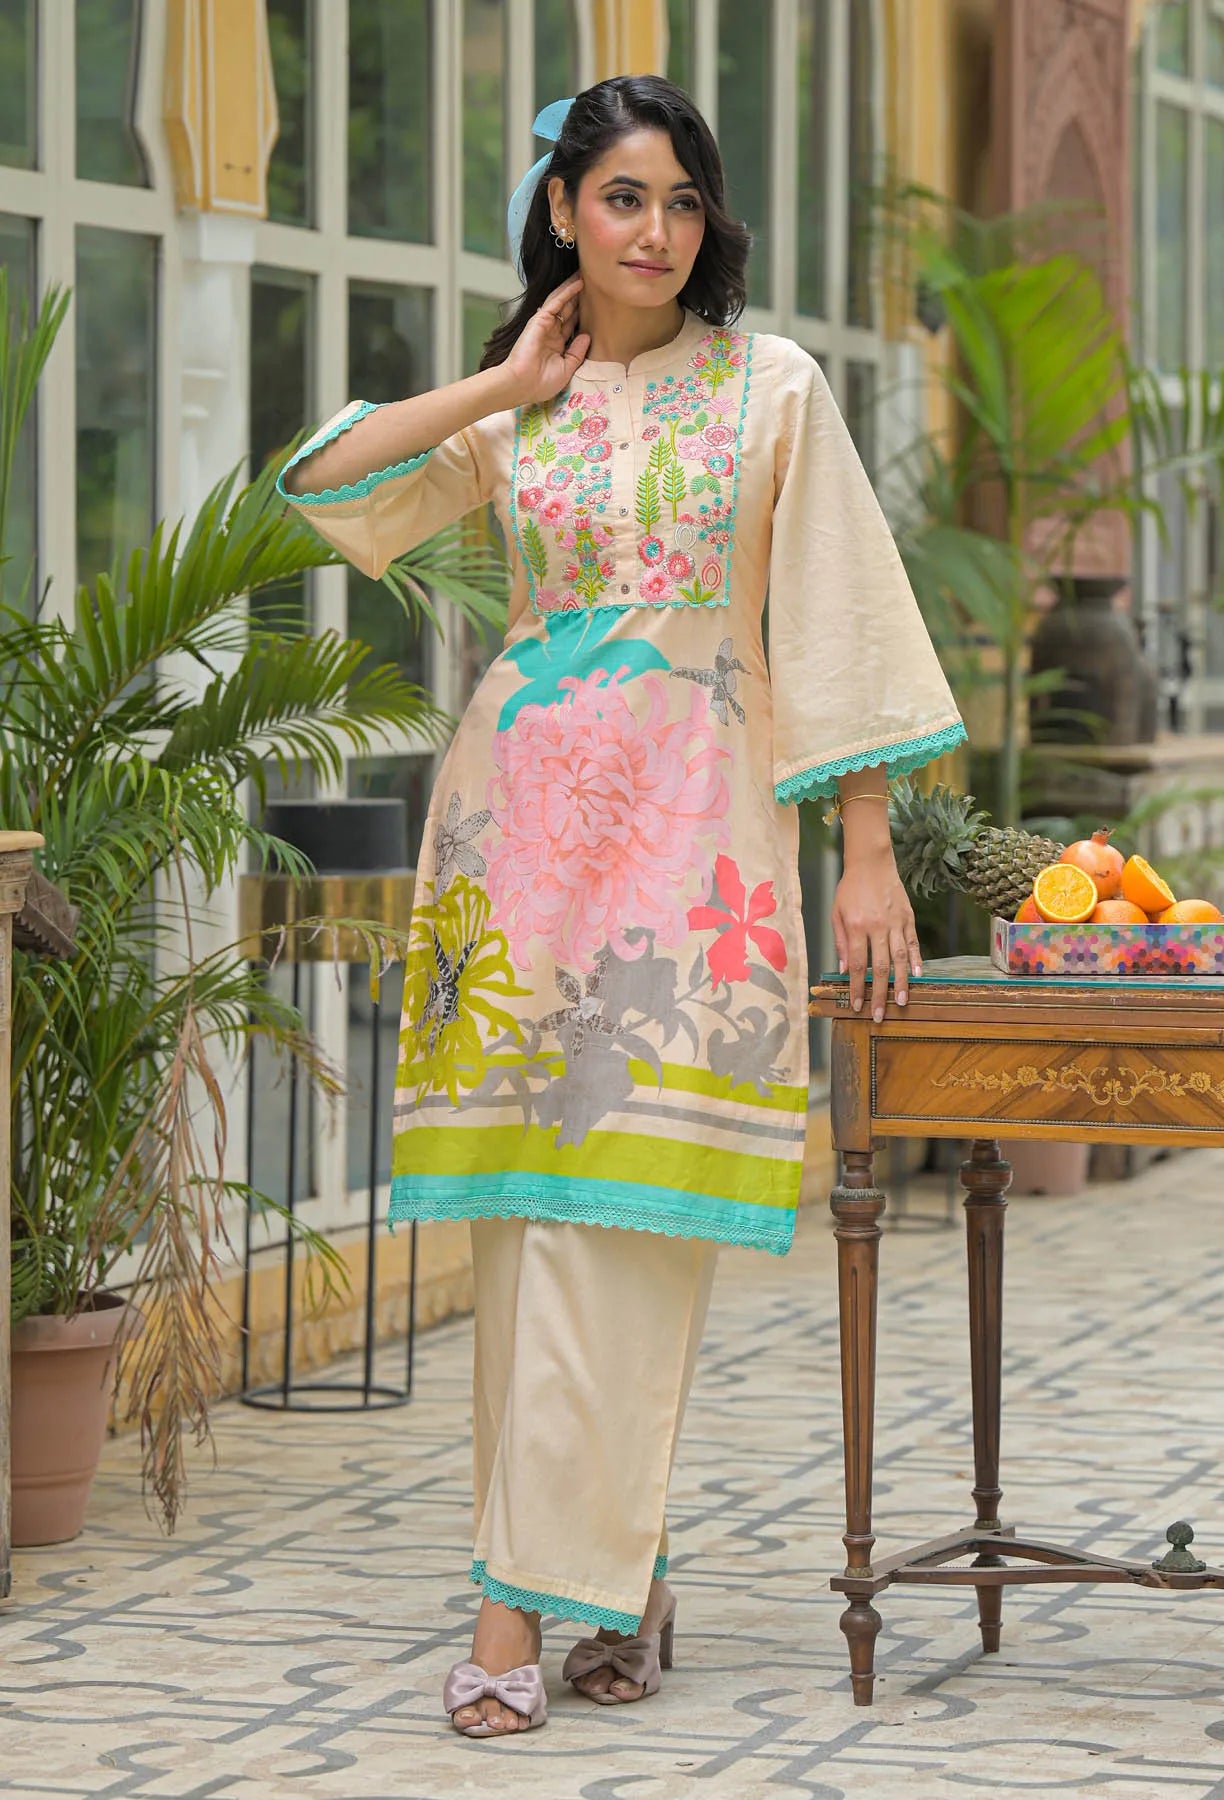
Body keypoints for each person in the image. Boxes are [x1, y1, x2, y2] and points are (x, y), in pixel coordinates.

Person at [279, 75, 965, 1739]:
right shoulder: (530, 403)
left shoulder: (769, 387)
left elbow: (837, 622)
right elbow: (320, 482)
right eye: (619, 201)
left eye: (677, 202)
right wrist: (506, 380)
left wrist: (865, 850)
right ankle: (612, 1577)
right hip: (514, 845)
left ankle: (516, 1608)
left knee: (621, 1234)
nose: (654, 233)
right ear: (565, 215)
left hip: (694, 853)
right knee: (531, 1234)